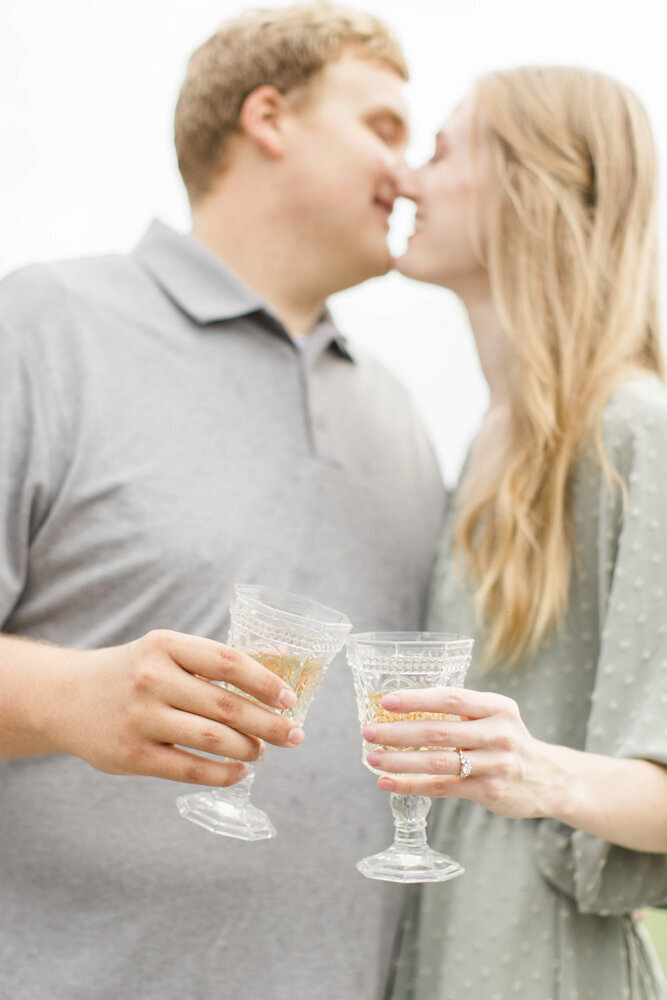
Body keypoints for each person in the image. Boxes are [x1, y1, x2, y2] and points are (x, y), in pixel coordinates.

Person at [0, 5, 445, 999]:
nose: (410, 174)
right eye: (382, 129)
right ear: (269, 116)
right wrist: (67, 698)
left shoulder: (401, 417)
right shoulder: (43, 327)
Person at [362, 66, 667, 999]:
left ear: (527, 187)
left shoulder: (633, 430)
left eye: (442, 149)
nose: (406, 178)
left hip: (547, 967)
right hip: (441, 947)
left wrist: (532, 773)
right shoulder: (482, 444)